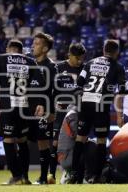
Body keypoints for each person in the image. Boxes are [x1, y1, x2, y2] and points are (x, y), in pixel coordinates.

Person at [69, 39, 128, 183]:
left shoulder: (89, 63)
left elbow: (78, 84)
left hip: (85, 104)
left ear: (104, 50)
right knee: (101, 141)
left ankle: (74, 174)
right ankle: (97, 176)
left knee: (80, 139)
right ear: (117, 52)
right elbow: (122, 89)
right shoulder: (118, 66)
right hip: (101, 107)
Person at [0, 39, 44, 185]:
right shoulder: (30, 61)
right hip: (24, 106)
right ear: (21, 51)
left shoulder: (1, 58)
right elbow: (39, 84)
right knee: (22, 141)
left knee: (8, 140)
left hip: (8, 105)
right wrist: (40, 103)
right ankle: (25, 177)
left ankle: (16, 176)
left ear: (8, 48)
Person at [50, 43, 86, 182]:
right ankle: (51, 175)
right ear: (69, 55)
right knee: (55, 143)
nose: (80, 61)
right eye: (77, 58)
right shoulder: (58, 68)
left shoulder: (85, 68)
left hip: (77, 112)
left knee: (78, 142)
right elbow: (51, 89)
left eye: (82, 58)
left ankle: (73, 173)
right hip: (60, 111)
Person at [29, 32, 56, 185]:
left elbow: (53, 91)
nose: (33, 45)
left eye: (37, 43)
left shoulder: (51, 67)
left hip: (43, 111)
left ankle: (43, 177)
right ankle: (22, 177)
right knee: (22, 141)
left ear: (45, 49)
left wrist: (50, 110)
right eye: (34, 42)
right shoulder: (29, 64)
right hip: (26, 109)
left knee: (42, 142)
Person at [57, 105, 97, 184]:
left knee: (86, 144)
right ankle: (85, 176)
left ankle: (70, 173)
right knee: (92, 146)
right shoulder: (74, 115)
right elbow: (77, 136)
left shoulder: (71, 113)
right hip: (68, 157)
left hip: (65, 155)